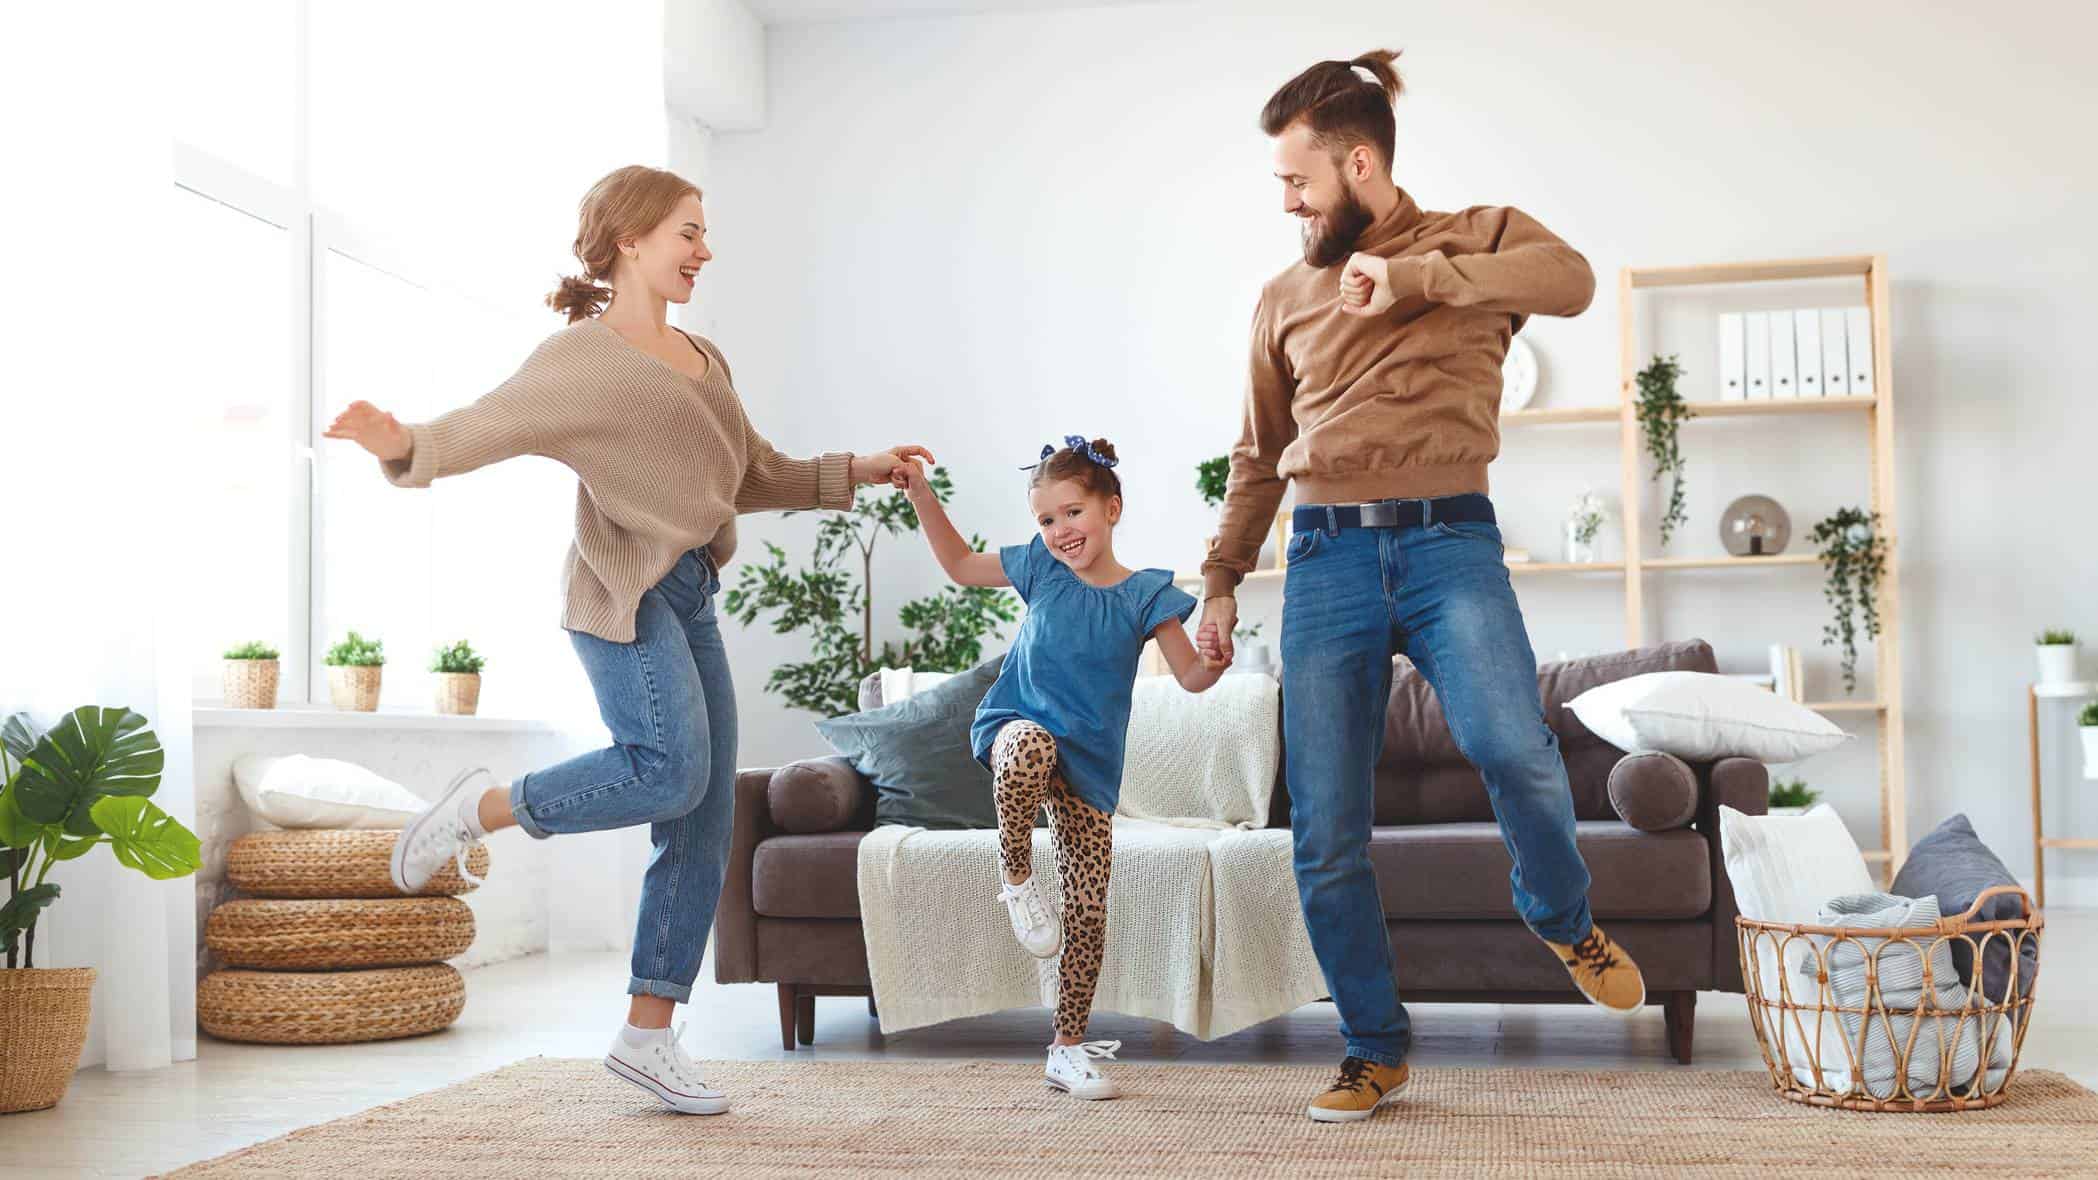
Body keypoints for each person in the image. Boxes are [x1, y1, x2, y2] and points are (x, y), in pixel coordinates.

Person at [324, 164, 926, 1116]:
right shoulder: (580, 359)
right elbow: (483, 428)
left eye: (705, 231)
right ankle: (484, 808)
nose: (704, 248)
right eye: (689, 230)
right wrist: (402, 442)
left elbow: (752, 472)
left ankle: (649, 1036)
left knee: (701, 818)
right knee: (671, 769)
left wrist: (863, 469)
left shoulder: (704, 357)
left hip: (689, 591)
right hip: (621, 593)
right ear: (632, 238)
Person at [1193, 51, 1646, 1123]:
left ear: (1359, 163)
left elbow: (1571, 282)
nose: (1288, 202)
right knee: (1325, 826)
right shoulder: (1282, 296)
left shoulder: (1478, 237)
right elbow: (1258, 454)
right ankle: (1373, 1049)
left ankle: (1560, 913)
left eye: (1297, 180)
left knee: (1510, 744)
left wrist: (1418, 279)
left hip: (1452, 544)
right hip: (1324, 557)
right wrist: (1219, 580)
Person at [898, 436, 1223, 1099]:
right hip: (1018, 729)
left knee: (1087, 909)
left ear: (1112, 509)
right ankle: (1015, 877)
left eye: (1071, 514)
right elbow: (960, 565)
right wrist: (922, 495)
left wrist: (1215, 658)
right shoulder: (1041, 572)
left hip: (1088, 768)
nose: (1059, 531)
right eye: (1046, 520)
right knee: (1028, 747)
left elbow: (1190, 675)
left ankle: (1066, 1049)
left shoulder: (1146, 594)